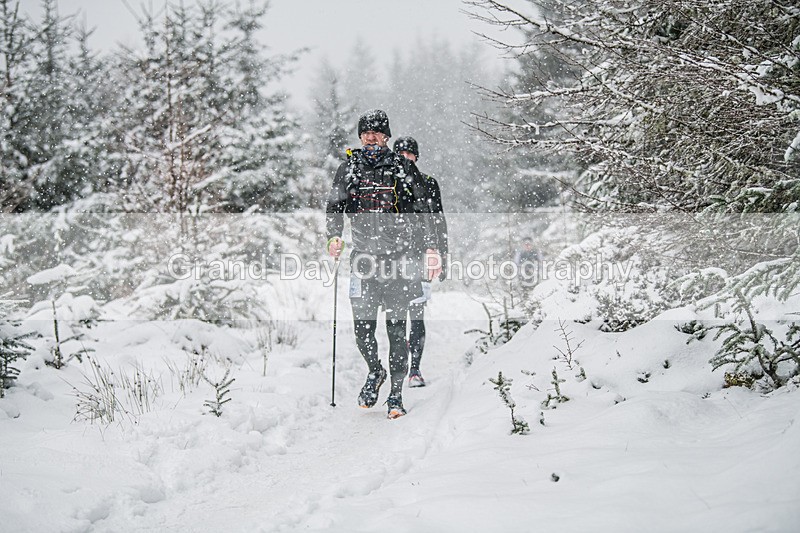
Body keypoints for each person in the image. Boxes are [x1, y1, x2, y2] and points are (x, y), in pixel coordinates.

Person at [326, 110, 441, 419]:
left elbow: (424, 210)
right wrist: (334, 237)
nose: (371, 137)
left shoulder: (403, 168)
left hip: (399, 262)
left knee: (395, 330)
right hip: (363, 260)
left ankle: (396, 395)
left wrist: (431, 247)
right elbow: (334, 206)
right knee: (362, 331)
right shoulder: (348, 168)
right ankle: (375, 372)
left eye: (377, 133)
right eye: (366, 133)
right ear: (360, 136)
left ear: (387, 136)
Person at [393, 136, 448, 388]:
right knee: (396, 313)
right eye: (400, 154)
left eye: (409, 154)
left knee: (416, 312)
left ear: (416, 157)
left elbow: (438, 220)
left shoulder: (428, 183)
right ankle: (399, 362)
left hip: (420, 253)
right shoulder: (388, 183)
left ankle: (415, 369)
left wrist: (442, 255)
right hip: (391, 255)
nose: (405, 158)